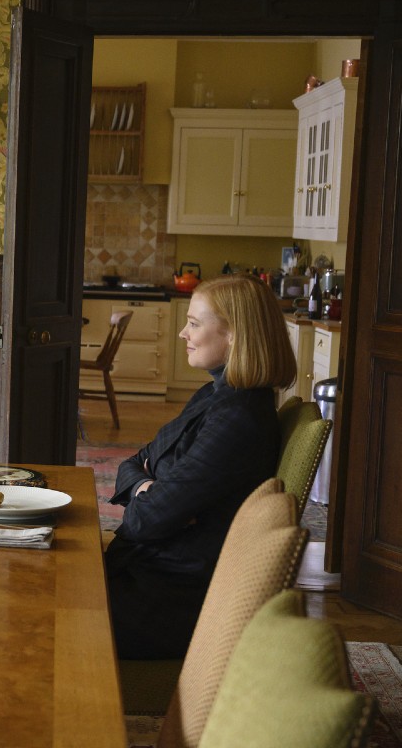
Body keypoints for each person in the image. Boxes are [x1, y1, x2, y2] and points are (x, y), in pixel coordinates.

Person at [105, 274, 297, 660]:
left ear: (234, 335)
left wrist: (149, 489)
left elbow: (144, 520)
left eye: (194, 323)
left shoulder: (238, 420)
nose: (182, 333)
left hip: (167, 600)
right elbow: (133, 462)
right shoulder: (214, 395)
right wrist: (148, 486)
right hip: (151, 573)